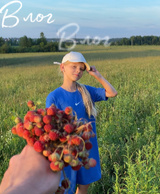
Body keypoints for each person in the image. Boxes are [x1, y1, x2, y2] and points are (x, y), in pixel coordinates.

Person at [46, 51, 117, 194]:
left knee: (84, 185)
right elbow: (51, 128)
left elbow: (112, 93)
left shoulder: (85, 91)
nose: (78, 71)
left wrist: (98, 75)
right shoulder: (54, 96)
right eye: (74, 67)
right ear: (62, 68)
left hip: (87, 147)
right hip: (67, 149)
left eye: (81, 69)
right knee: (67, 187)